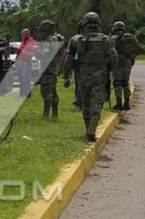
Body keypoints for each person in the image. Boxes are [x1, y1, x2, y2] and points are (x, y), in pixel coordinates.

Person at [63, 12, 116, 142]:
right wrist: (110, 70)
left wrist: (66, 76)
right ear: (98, 23)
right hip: (100, 74)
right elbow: (114, 57)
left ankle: (88, 129)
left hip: (83, 74)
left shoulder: (76, 39)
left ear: (85, 23)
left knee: (86, 101)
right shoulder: (105, 39)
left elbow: (68, 59)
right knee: (97, 101)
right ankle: (92, 128)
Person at [36, 20, 65, 119]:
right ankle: (54, 114)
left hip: (48, 69)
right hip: (53, 69)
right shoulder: (55, 39)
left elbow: (45, 55)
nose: (41, 33)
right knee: (52, 91)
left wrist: (36, 51)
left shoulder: (50, 40)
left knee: (46, 93)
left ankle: (46, 114)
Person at [110, 21, 139, 111]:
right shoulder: (131, 37)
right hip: (127, 62)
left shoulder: (114, 37)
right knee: (125, 83)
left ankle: (119, 104)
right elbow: (137, 47)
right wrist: (132, 56)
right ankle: (126, 103)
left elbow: (111, 49)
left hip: (118, 62)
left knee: (117, 83)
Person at [18, 29, 37, 97]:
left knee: (26, 78)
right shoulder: (23, 41)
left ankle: (27, 92)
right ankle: (22, 92)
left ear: (27, 34)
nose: (21, 36)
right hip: (20, 62)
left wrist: (24, 52)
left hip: (27, 62)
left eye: (22, 35)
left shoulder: (32, 42)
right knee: (21, 78)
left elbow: (34, 53)